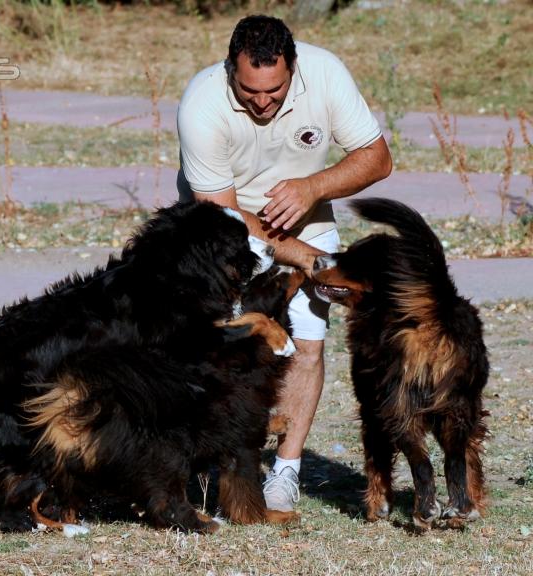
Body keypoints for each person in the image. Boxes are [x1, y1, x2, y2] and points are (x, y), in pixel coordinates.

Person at [177, 14, 392, 513]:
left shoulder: (326, 73)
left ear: (294, 68)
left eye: (274, 90)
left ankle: (286, 471)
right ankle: (215, 457)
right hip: (224, 227)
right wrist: (313, 262)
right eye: (249, 90)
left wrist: (312, 187)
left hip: (307, 216)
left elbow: (377, 158)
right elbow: (226, 215)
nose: (262, 102)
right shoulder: (201, 105)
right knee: (216, 344)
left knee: (307, 345)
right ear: (231, 69)